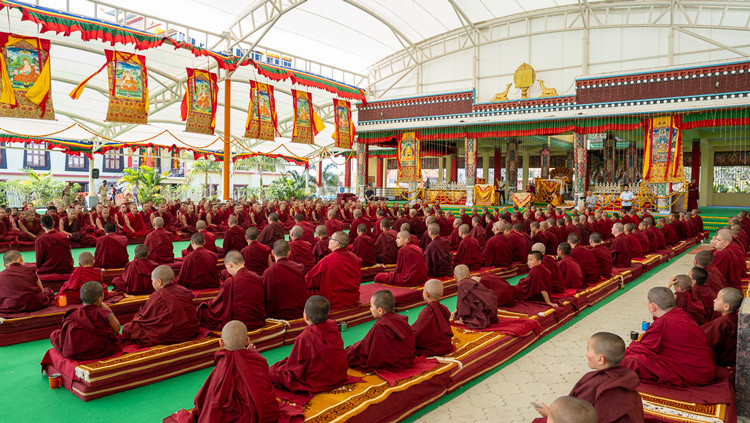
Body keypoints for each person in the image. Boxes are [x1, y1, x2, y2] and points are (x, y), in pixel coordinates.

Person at [168, 320, 279, 423]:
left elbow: (209, 398)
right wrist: (252, 354)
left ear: (221, 343)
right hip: (266, 415)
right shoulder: (257, 359)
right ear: (247, 340)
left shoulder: (223, 365)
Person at [534, 332, 643, 423]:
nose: (586, 354)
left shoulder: (593, 384)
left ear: (601, 359)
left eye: (588, 350)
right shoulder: (627, 375)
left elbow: (578, 416)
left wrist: (549, 414)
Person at [620, 287, 715, 387]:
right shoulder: (682, 314)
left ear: (652, 306)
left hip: (695, 374)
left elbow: (643, 349)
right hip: (705, 368)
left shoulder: (663, 322)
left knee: (632, 361)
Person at [269, 296, 349, 394]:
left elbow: (294, 365)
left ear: (306, 316)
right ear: (328, 313)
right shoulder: (333, 327)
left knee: (273, 371)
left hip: (318, 379)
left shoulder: (304, 337)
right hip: (338, 375)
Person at [121, 265, 200, 346]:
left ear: (159, 281)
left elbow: (145, 318)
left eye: (152, 280)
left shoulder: (157, 295)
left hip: (172, 336)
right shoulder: (184, 290)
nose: (152, 283)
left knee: (129, 328)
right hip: (191, 330)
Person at [50, 281, 122, 360]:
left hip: (75, 353)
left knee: (55, 334)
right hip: (101, 351)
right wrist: (108, 309)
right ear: (100, 299)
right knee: (116, 339)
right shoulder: (104, 313)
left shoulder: (73, 314)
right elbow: (117, 329)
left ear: (81, 297)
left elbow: (66, 333)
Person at [347, 289, 416, 372]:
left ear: (380, 310)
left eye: (372, 307)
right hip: (406, 360)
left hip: (393, 364)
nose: (370, 309)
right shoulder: (402, 319)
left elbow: (365, 351)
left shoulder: (380, 326)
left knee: (351, 354)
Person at [197, 250, 265, 331]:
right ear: (243, 262)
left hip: (239, 324)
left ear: (229, 265)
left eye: (226, 268)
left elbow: (218, 308)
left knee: (202, 311)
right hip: (259, 321)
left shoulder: (231, 282)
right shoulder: (258, 277)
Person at [305, 231, 362, 311]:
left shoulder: (328, 260)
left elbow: (309, 280)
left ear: (336, 243)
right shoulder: (355, 258)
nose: (329, 240)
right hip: (352, 299)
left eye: (331, 238)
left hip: (333, 300)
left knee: (304, 290)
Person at [262, 240, 307, 320]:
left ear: (272, 253)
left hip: (278, 317)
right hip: (300, 313)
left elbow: (265, 296)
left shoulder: (269, 272)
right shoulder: (299, 268)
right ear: (289, 253)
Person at [701, 287, 742, 367]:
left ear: (726, 307)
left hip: (721, 364)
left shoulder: (721, 323)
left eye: (718, 299)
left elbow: (705, 341)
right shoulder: (735, 318)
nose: (714, 300)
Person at [451, 264, 499, 330]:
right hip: (492, 311)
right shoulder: (474, 282)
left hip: (484, 314)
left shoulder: (461, 285)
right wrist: (457, 310)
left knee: (457, 317)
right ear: (470, 274)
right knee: (457, 313)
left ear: (455, 277)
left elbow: (462, 305)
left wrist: (461, 320)